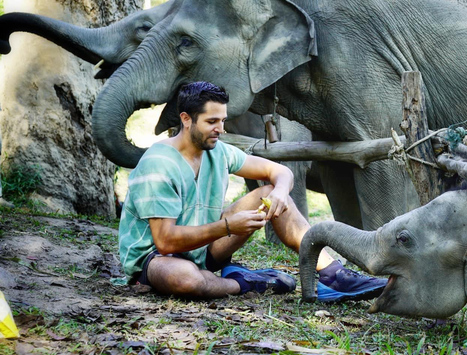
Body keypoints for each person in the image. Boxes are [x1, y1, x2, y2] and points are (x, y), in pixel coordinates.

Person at [118, 81, 386, 301]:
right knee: (186, 279)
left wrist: (280, 192)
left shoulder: (218, 151)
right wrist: (226, 226)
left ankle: (333, 275)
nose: (220, 130)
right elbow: (165, 241)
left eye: (223, 120)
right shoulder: (158, 164)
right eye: (212, 121)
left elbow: (280, 172)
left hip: (203, 249)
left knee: (268, 192)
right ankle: (244, 283)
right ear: (186, 120)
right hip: (157, 260)